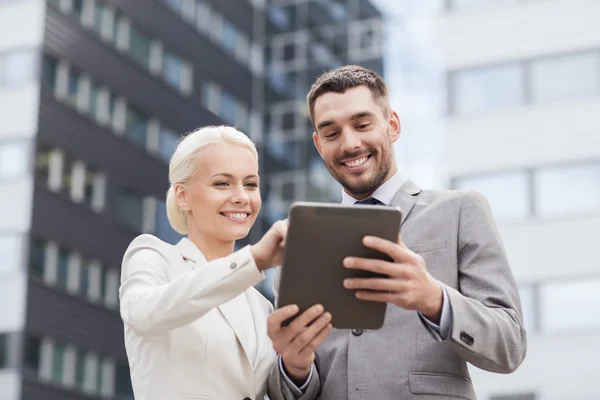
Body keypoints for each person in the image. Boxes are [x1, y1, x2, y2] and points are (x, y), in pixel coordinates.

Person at [266, 65, 527, 399]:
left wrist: (434, 298)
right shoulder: (299, 249)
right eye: (331, 134)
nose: (350, 144)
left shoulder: (461, 211)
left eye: (362, 125)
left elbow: (509, 347)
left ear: (392, 126)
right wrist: (294, 365)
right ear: (318, 144)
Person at [119, 125, 289, 400]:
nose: (241, 197)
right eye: (222, 183)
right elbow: (143, 314)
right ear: (183, 196)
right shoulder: (154, 257)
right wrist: (255, 260)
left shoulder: (261, 306)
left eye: (251, 184)